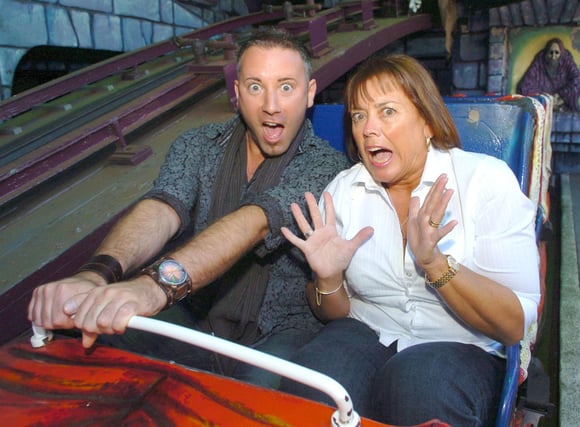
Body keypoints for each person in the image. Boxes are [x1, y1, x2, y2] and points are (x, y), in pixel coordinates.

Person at [27, 27, 350, 389]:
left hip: (277, 333)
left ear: (309, 94)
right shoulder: (196, 146)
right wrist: (96, 275)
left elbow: (256, 221)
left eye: (286, 87)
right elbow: (163, 208)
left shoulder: (327, 166)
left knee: (258, 403)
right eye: (256, 86)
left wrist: (153, 287)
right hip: (196, 318)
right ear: (237, 93)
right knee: (87, 340)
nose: (271, 105)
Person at [279, 54, 541, 426]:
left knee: (418, 386)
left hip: (462, 346)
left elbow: (513, 325)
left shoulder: (485, 181)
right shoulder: (344, 190)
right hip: (366, 331)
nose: (369, 128)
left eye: (387, 112)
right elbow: (332, 313)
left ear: (427, 122)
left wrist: (436, 265)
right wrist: (327, 279)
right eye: (358, 116)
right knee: (312, 383)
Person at [517, 37, 580, 112]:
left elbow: (578, 82)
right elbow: (524, 86)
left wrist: (560, 96)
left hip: (563, 104)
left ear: (561, 53)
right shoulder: (539, 61)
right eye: (551, 53)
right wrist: (544, 99)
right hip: (543, 105)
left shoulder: (566, 60)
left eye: (556, 52)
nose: (553, 56)